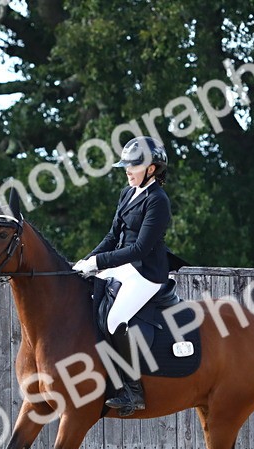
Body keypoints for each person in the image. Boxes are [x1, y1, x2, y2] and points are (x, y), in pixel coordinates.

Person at [72, 136, 171, 416]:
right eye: (126, 166)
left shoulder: (158, 201)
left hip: (146, 271)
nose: (127, 171)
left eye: (134, 167)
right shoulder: (127, 193)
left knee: (115, 318)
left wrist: (99, 262)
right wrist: (88, 260)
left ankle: (133, 390)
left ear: (152, 169)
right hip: (122, 263)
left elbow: (140, 248)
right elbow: (112, 236)